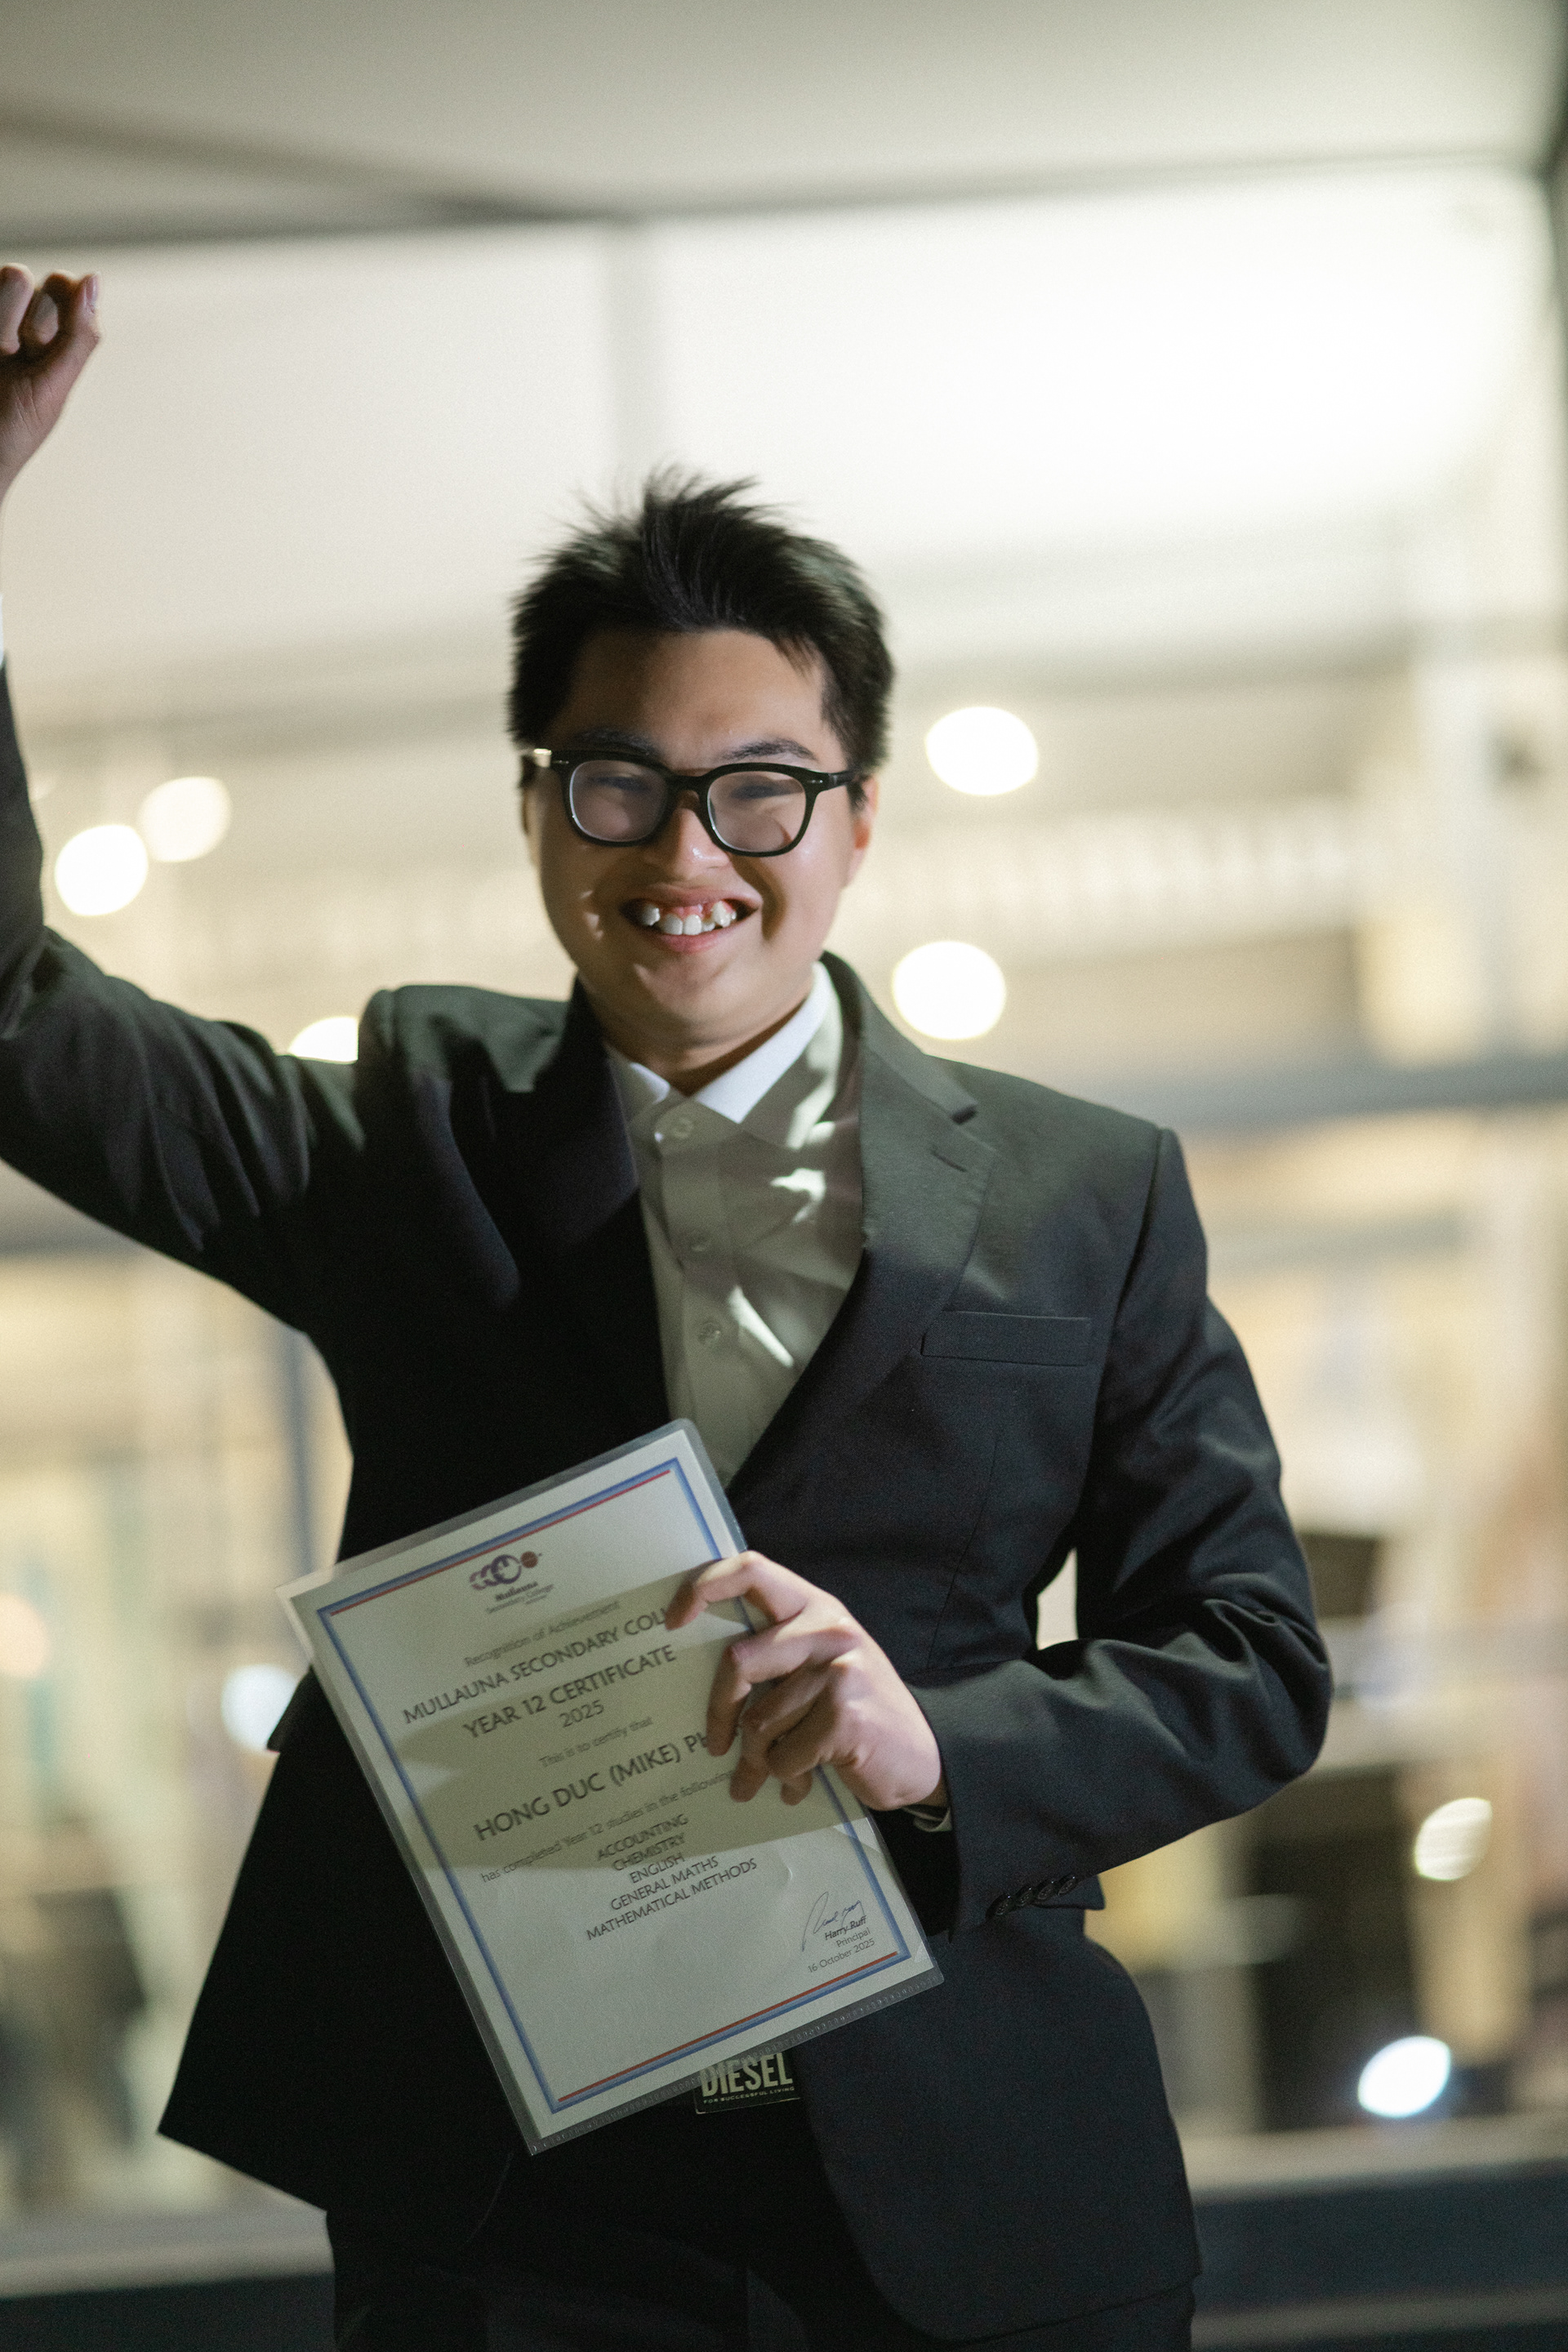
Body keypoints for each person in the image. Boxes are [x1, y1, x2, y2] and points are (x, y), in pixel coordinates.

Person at [0, 265, 1330, 2352]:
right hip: (522, 2211)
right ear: (539, 810)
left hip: (973, 2187)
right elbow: (19, 1020)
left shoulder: (1088, 1193)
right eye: (618, 782)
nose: (689, 850)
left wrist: (937, 1744)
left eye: (761, 787)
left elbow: (1248, 1658)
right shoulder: (402, 1142)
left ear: (857, 820)